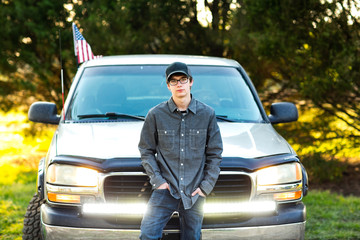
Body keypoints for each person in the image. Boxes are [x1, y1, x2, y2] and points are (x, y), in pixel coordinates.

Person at [138, 62, 223, 240]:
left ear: (191, 81)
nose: (179, 84)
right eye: (174, 81)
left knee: (192, 237)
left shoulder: (207, 114)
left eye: (182, 79)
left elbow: (215, 154)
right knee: (148, 234)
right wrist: (158, 182)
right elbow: (146, 150)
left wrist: (205, 187)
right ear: (168, 85)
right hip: (165, 190)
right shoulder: (155, 115)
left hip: (194, 193)